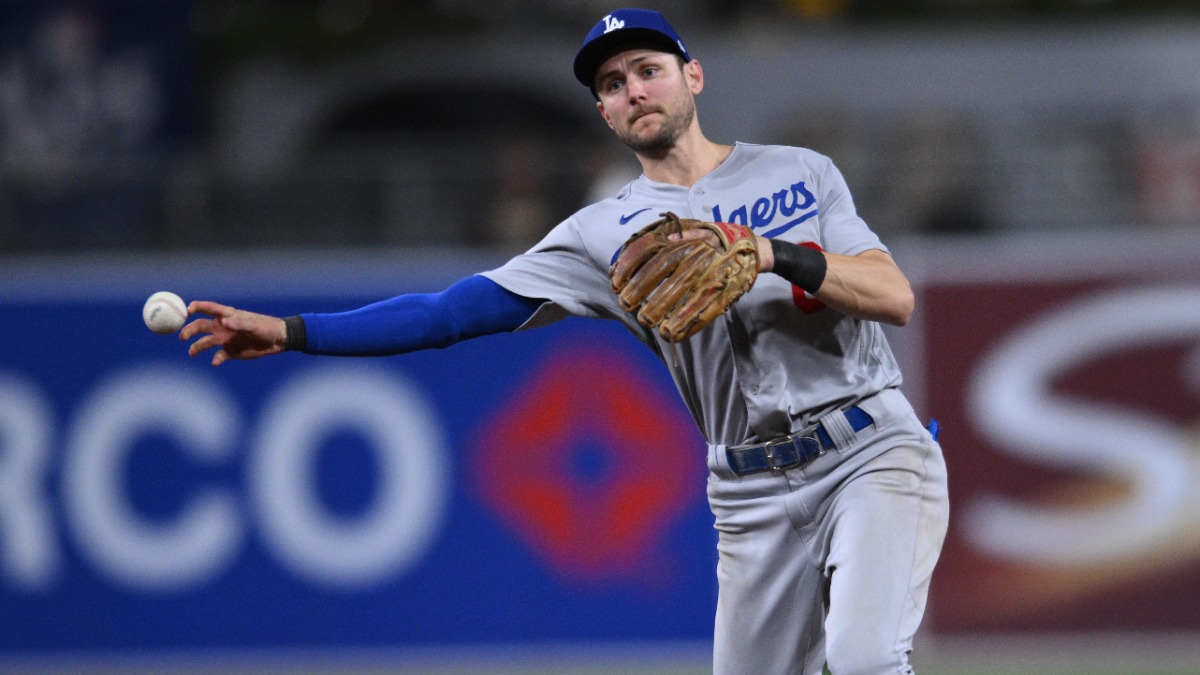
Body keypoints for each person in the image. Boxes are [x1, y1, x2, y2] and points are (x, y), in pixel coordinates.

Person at [181, 8, 949, 674]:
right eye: (612, 85)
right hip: (748, 495)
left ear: (694, 77)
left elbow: (894, 296)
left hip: (865, 451)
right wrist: (293, 332)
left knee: (864, 659)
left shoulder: (799, 173)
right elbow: (450, 313)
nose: (633, 90)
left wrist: (772, 252)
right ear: (607, 116)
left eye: (647, 69)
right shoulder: (598, 233)